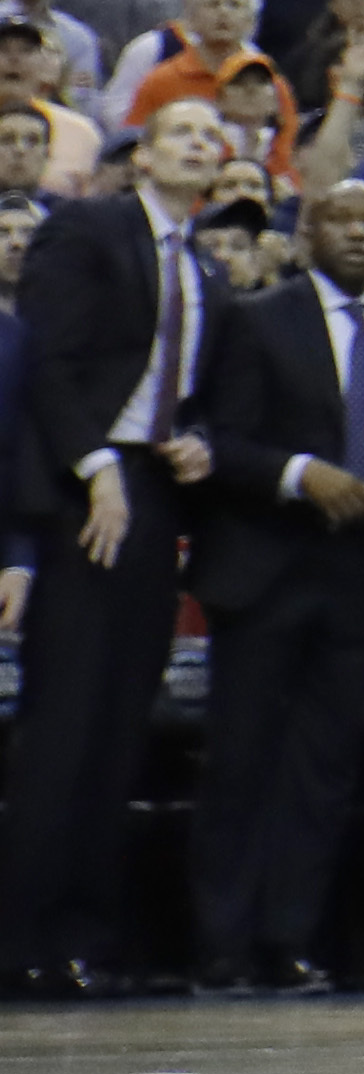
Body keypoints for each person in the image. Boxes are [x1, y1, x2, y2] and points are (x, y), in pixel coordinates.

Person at [2, 97, 229, 992]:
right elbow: (50, 364)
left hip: (155, 496)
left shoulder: (205, 267)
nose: (199, 143)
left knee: (119, 726)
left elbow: (188, 387)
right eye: (182, 131)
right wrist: (95, 464)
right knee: (63, 727)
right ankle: (21, 939)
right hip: (79, 495)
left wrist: (200, 437)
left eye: (211, 136)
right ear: (142, 158)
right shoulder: (90, 231)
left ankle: (86, 937)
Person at [185, 173, 364, 992]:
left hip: (361, 567)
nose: (358, 231)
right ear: (308, 230)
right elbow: (219, 440)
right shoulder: (257, 318)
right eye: (340, 217)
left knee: (323, 768)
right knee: (242, 759)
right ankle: (220, 944)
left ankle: (287, 939)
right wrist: (300, 473)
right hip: (266, 566)